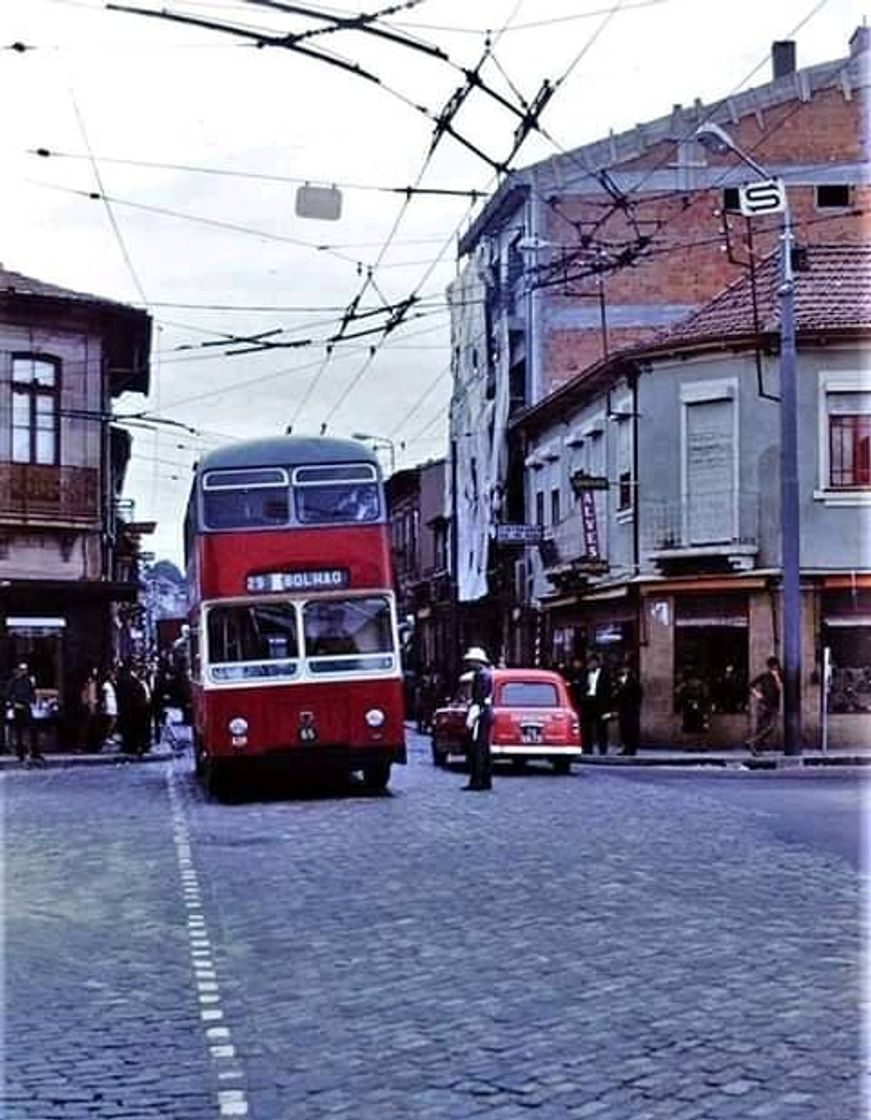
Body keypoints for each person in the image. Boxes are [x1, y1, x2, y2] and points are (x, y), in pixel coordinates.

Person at [462, 645, 494, 792]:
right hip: (486, 711)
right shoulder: (487, 674)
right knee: (484, 748)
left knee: (478, 748)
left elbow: (478, 698)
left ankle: (477, 780)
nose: (469, 664)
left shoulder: (480, 676)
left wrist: (472, 716)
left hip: (480, 712)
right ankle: (485, 779)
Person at [6, 662, 43, 764]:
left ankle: (35, 752)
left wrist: (33, 701)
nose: (24, 671)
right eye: (22, 670)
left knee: (32, 730)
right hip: (18, 707)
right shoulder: (14, 681)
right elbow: (9, 694)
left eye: (25, 670)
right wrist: (13, 703)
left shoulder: (28, 681)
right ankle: (20, 753)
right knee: (19, 732)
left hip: (27, 707)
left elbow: (32, 692)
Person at [745, 656, 783, 756]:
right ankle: (755, 749)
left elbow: (780, 689)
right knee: (762, 727)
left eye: (775, 667)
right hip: (764, 704)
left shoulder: (779, 676)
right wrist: (757, 694)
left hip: (774, 705)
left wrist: (776, 677)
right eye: (773, 667)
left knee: (771, 727)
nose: (774, 669)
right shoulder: (764, 676)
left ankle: (753, 742)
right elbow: (750, 685)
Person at [581, 652, 611, 756]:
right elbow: (581, 686)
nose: (592, 664)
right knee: (586, 727)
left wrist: (607, 707)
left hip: (599, 702)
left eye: (594, 662)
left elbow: (608, 690)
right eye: (590, 662)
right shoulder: (585, 673)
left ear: (598, 663)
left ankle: (603, 748)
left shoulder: (605, 674)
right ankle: (587, 748)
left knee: (601, 727)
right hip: (587, 701)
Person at [613, 660, 643, 756]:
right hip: (623, 708)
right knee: (624, 729)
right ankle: (625, 747)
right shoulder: (619, 680)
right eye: (623, 668)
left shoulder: (634, 681)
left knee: (631, 729)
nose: (624, 670)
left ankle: (632, 748)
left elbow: (639, 694)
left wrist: (635, 704)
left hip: (631, 708)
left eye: (626, 668)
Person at [676, 668, 710, 735]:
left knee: (700, 718)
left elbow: (705, 695)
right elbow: (678, 691)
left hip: (698, 705)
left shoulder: (701, 685)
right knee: (689, 718)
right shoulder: (686, 684)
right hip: (689, 705)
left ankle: (700, 728)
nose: (694, 681)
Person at [79, 667, 101, 752]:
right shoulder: (87, 684)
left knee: (92, 727)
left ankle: (92, 745)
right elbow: (84, 695)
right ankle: (83, 745)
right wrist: (87, 703)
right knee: (86, 727)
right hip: (89, 707)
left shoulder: (94, 683)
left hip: (93, 706)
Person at [101, 668, 118, 747]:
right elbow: (104, 695)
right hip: (109, 703)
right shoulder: (106, 685)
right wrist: (104, 704)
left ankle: (110, 736)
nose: (114, 677)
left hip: (113, 703)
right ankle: (106, 736)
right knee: (110, 721)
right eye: (112, 675)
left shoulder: (113, 684)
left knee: (114, 720)